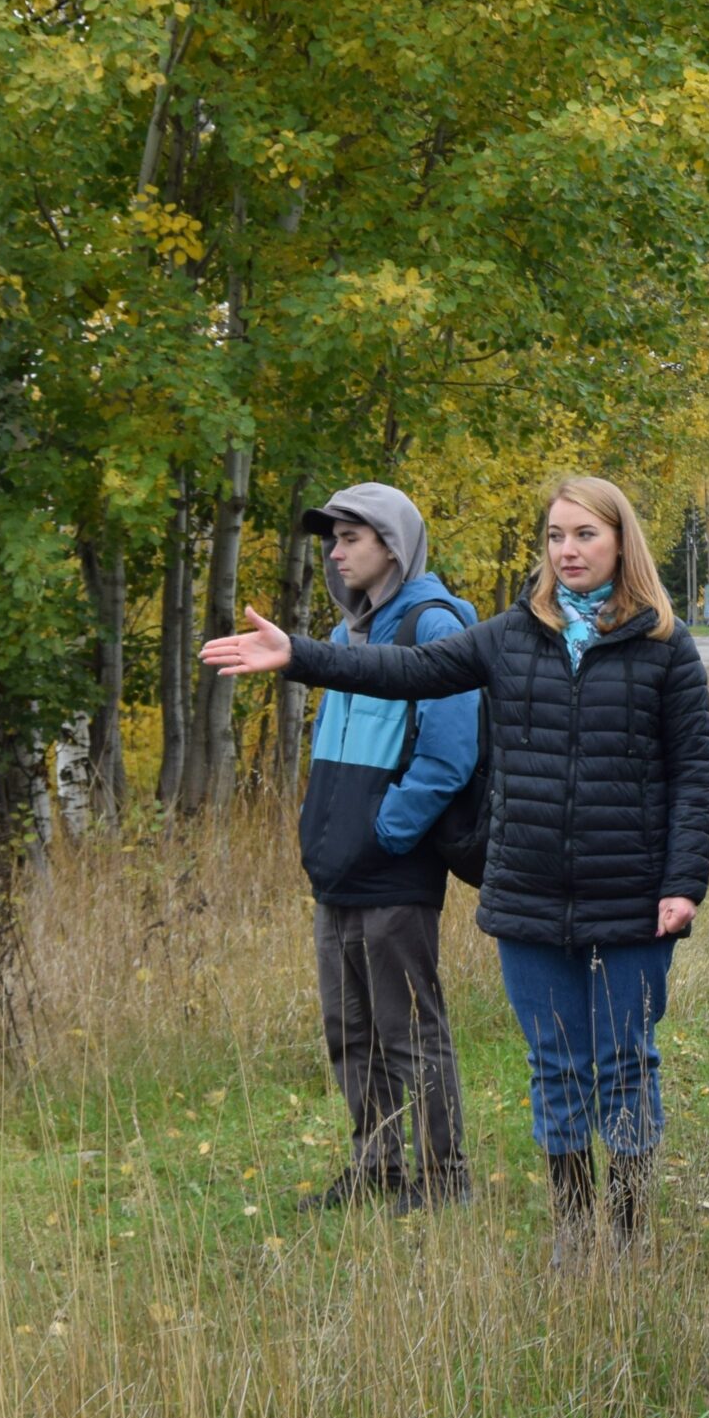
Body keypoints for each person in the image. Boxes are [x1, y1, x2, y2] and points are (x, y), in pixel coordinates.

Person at [203, 476, 709, 1261]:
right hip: (530, 891)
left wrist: (682, 882)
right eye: (555, 535)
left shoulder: (663, 645)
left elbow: (692, 772)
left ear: (621, 542)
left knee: (625, 1063)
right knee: (555, 1065)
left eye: (585, 534)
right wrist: (300, 656)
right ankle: (575, 1233)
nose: (568, 550)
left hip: (633, 893)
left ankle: (630, 1233)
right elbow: (407, 672)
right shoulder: (511, 635)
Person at [292, 482, 480, 1215]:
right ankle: (376, 1165)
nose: (336, 555)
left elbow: (449, 755)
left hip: (394, 866)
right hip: (337, 866)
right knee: (350, 1029)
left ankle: (442, 1177)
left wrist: (385, 833)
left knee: (409, 1026)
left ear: (392, 546)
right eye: (332, 540)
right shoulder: (345, 638)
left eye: (350, 539)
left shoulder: (433, 626)